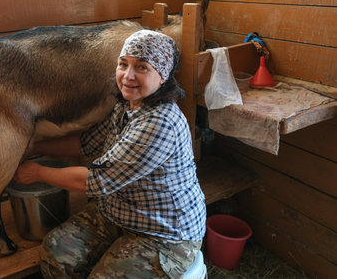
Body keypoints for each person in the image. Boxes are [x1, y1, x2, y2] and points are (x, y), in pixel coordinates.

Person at [14, 30, 206, 278]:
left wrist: (37, 172)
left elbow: (95, 180)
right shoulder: (126, 106)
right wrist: (32, 146)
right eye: (123, 64)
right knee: (56, 254)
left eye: (142, 67)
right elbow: (86, 143)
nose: (128, 75)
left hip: (163, 233)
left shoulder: (159, 123)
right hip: (116, 213)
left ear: (163, 76)